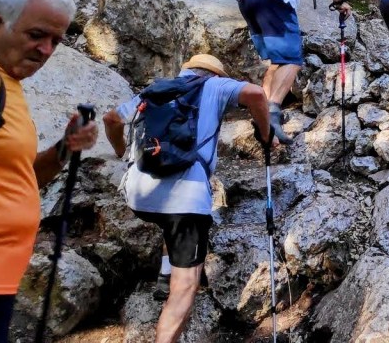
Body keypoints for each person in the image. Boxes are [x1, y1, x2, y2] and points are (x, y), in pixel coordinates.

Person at [103, 54, 274, 343]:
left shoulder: (157, 88)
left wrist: (121, 151)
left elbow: (111, 118)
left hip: (138, 196)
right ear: (216, 75)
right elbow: (257, 94)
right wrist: (266, 134)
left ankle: (165, 272)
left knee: (170, 220)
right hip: (186, 200)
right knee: (186, 286)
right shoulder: (216, 86)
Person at [0, 0, 99, 343]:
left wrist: (65, 147)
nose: (46, 50)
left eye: (56, 40)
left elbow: (23, 178)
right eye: (36, 34)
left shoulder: (10, 87)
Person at [236, 0, 352, 144]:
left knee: (276, 62)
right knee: (292, 60)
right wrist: (338, 1)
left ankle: (261, 116)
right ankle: (272, 114)